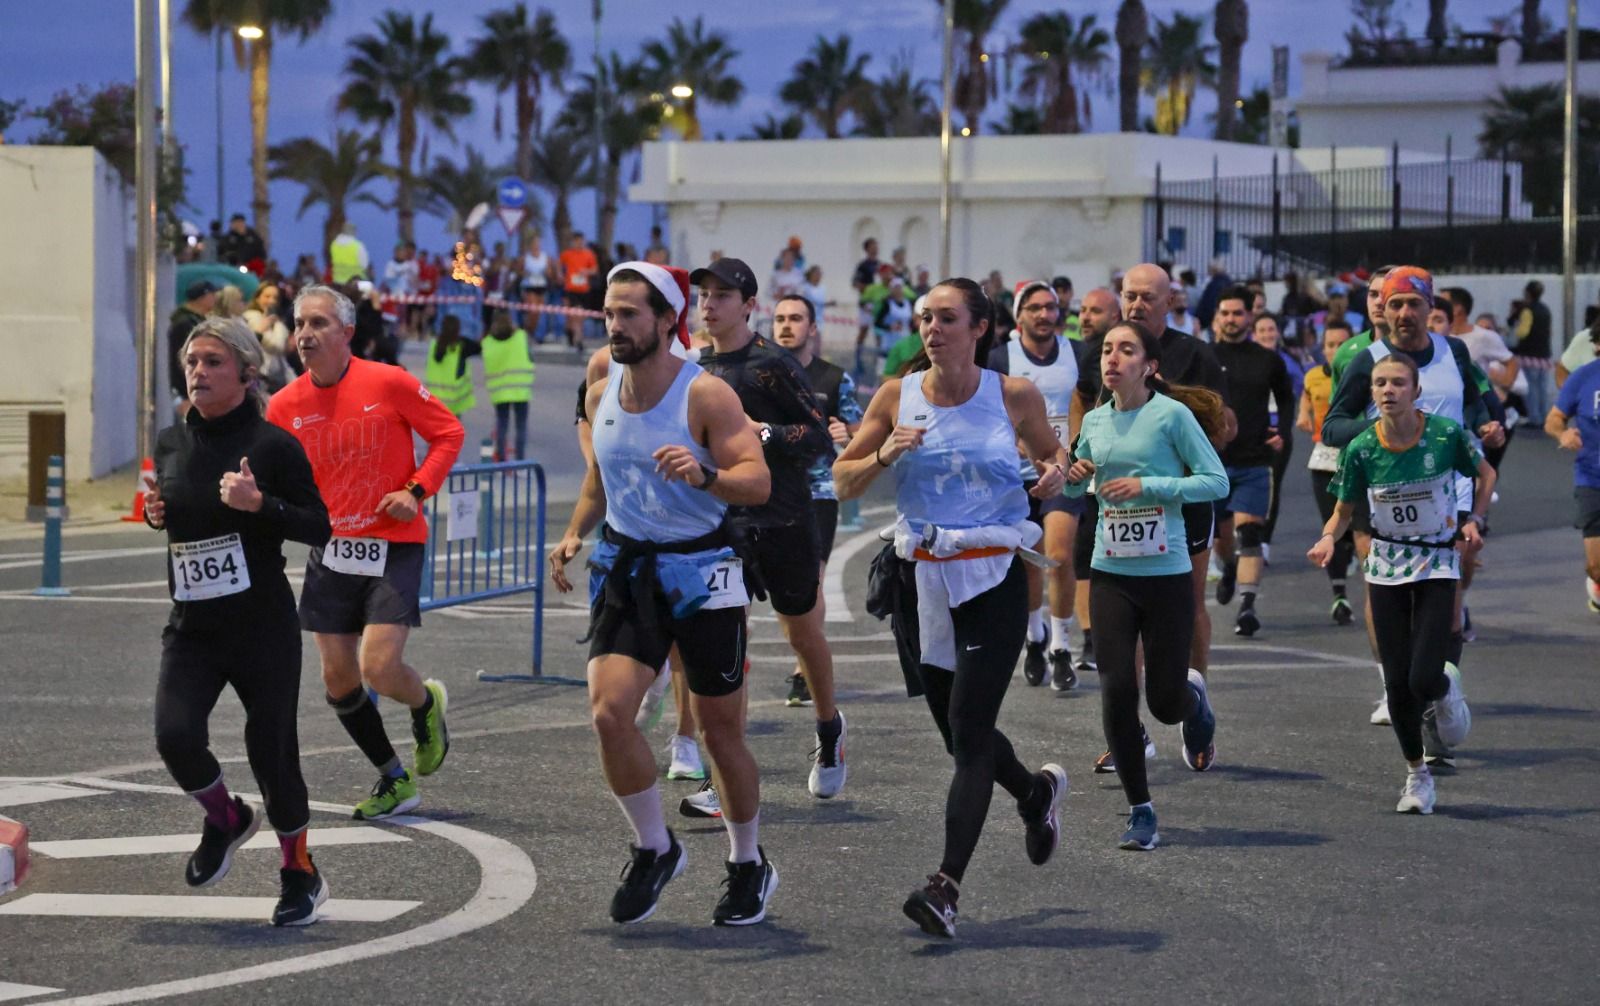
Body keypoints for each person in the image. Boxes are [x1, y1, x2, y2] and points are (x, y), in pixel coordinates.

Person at [834, 277, 1071, 938]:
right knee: (959, 737)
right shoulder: (896, 396)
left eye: (946, 319)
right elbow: (842, 479)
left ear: (980, 328)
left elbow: (1053, 455)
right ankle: (1034, 792)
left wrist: (1055, 471)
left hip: (992, 575)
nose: (932, 330)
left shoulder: (1012, 395)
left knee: (969, 731)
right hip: (922, 582)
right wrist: (883, 453)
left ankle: (945, 888)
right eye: (925, 319)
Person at [549, 260, 780, 927]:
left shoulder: (705, 395)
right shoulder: (601, 392)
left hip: (704, 573)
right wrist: (573, 533)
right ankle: (655, 847)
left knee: (720, 734)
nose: (614, 325)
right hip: (629, 569)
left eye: (629, 313)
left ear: (665, 318)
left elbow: (756, 480)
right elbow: (599, 480)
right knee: (608, 714)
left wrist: (706, 475)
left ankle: (747, 861)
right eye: (608, 313)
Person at [146, 317, 332, 925]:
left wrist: (261, 505)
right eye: (192, 362)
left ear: (248, 373)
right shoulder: (170, 443)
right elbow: (179, 511)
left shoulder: (274, 446)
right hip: (193, 626)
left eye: (213, 362)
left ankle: (299, 872)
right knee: (175, 735)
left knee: (272, 751)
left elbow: (319, 526)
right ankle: (226, 818)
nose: (198, 372)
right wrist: (156, 512)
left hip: (260, 627)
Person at [266, 284, 464, 820]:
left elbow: (448, 433)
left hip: (393, 543)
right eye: (299, 324)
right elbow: (267, 474)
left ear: (347, 332)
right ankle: (394, 778)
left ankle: (425, 702)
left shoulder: (388, 381)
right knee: (338, 680)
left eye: (319, 323)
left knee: (378, 667)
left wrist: (415, 491)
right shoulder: (283, 406)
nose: (305, 334)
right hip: (331, 550)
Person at [1322, 266, 1504, 757]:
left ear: (1431, 309)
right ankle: (1400, 687)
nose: (1404, 313)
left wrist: (1485, 426)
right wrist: (1387, 424)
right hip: (1386, 491)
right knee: (1393, 599)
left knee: (1449, 605)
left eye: (1414, 304)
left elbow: (1478, 404)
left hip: (1452, 492)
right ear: (1383, 310)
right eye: (1395, 304)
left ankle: (1437, 693)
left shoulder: (1454, 351)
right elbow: (1332, 427)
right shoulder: (1367, 361)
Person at [1063, 320, 1228, 848]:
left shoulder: (1171, 416)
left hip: (1166, 574)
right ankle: (1141, 809)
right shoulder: (1095, 421)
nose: (1112, 358)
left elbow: (1215, 481)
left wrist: (1148, 486)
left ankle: (1193, 701)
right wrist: (1074, 477)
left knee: (1163, 701)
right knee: (1116, 690)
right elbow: (1080, 488)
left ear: (1149, 366)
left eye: (1126, 350)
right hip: (1111, 572)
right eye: (1107, 350)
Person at [692, 257, 847, 805]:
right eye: (704, 295)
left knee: (801, 634)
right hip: (723, 525)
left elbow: (818, 438)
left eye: (722, 295)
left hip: (784, 519)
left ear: (748, 305)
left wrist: (764, 434)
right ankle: (721, 773)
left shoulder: (771, 365)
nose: (709, 304)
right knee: (726, 644)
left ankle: (829, 728)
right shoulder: (695, 368)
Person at [1311, 353, 1491, 814]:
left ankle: (1445, 687)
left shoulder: (1445, 435)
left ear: (1416, 391)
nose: (1387, 390)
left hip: (1437, 561)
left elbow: (1484, 474)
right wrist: (1328, 538)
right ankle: (1417, 775)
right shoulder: (1362, 448)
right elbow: (1343, 511)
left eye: (1397, 383)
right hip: (1387, 564)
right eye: (1379, 383)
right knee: (1396, 685)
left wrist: (1473, 519)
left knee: (1423, 676)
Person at [985, 280, 1084, 688]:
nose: (1044, 315)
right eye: (1035, 308)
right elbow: (989, 410)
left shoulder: (1077, 353)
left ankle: (1061, 646)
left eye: (1050, 307)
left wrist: (1075, 450)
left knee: (1058, 555)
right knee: (1029, 562)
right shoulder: (999, 357)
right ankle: (1034, 636)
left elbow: (1089, 403)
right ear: (1019, 316)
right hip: (1018, 475)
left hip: (1062, 471)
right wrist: (1017, 444)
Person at [772, 293, 863, 706]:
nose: (786, 325)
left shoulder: (834, 379)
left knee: (812, 580)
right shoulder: (759, 374)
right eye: (779, 319)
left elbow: (860, 434)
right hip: (765, 490)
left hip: (818, 493)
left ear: (812, 328)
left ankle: (802, 670)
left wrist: (848, 436)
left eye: (795, 318)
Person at [1210, 289, 1294, 637]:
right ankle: (1229, 568)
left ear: (1249, 317)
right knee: (1221, 538)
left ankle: (1247, 605)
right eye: (1225, 313)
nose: (1231, 320)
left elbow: (1286, 399)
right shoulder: (1205, 356)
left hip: (1254, 460)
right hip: (1211, 463)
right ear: (1217, 317)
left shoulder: (1268, 359)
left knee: (1250, 533)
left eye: (1237, 313)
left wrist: (1282, 431)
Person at [1296, 318, 1357, 624]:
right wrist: (1303, 414)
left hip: (1359, 455)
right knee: (1331, 524)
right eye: (1330, 345)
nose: (1336, 350)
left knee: (1357, 528)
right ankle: (1339, 595)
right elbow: (1306, 397)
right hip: (1324, 456)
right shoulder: (1313, 375)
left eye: (1342, 344)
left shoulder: (1365, 375)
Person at [1546, 351, 1600, 613]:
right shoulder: (1584, 376)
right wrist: (1563, 434)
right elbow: (1553, 420)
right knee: (1596, 566)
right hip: (1593, 477)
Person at [1250, 311, 1304, 554]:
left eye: (1271, 329)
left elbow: (1299, 388)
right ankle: (1246, 535)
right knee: (1246, 482)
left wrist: (1282, 426)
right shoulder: (1247, 360)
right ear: (1254, 335)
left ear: (1278, 333)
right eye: (1262, 330)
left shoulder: (1287, 361)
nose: (1267, 334)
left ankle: (1264, 541)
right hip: (1251, 432)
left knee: (1272, 487)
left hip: (1278, 433)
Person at [483, 309, 536, 460]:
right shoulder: (521, 336)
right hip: (521, 390)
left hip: (500, 392)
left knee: (502, 425)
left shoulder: (488, 342)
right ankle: (520, 461)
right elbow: (530, 357)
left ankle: (502, 460)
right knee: (521, 427)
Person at [169, 281, 218, 412]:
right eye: (213, 295)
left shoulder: (197, 320)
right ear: (203, 296)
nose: (215, 299)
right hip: (187, 390)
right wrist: (186, 391)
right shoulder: (185, 323)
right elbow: (180, 359)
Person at [1516, 280, 1556, 428]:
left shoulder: (1527, 310)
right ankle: (1545, 416)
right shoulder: (1546, 309)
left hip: (1529, 354)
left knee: (1531, 388)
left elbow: (1522, 332)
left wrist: (1515, 329)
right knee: (1542, 388)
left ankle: (1534, 418)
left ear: (1527, 293)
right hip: (1544, 355)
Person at [244, 283, 295, 393]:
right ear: (257, 298)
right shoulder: (252, 317)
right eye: (267, 296)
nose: (271, 301)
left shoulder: (274, 321)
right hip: (261, 377)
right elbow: (276, 346)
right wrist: (278, 325)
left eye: (275, 298)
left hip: (278, 376)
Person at [425, 314, 478, 418]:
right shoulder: (462, 346)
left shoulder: (433, 345)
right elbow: (479, 347)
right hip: (454, 403)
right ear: (458, 329)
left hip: (435, 401)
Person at [560, 231, 599, 351]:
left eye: (581, 241)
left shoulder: (589, 254)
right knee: (574, 315)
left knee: (580, 316)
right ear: (573, 242)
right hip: (570, 289)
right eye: (577, 241)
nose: (579, 243)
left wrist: (586, 271)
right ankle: (578, 339)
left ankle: (573, 334)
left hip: (583, 290)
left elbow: (594, 269)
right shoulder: (567, 254)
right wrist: (560, 275)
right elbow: (558, 264)